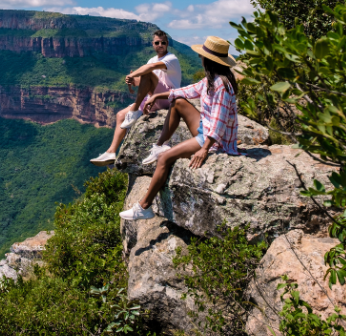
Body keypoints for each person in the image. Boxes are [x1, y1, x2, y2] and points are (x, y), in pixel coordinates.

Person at [119, 35, 240, 220]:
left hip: (215, 140)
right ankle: (160, 144)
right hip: (204, 127)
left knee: (165, 158)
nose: (200, 58)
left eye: (202, 56)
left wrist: (205, 149)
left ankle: (144, 207)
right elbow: (187, 90)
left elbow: (219, 122)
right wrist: (157, 96)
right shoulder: (211, 79)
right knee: (178, 102)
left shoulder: (221, 85)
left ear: (209, 60)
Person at [90, 29, 181, 166]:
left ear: (167, 43)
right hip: (151, 98)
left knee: (148, 71)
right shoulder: (151, 59)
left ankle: (134, 112)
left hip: (166, 98)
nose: (160, 45)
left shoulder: (171, 59)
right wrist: (133, 81)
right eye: (157, 42)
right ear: (153, 44)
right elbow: (145, 82)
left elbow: (151, 68)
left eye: (163, 42)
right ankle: (111, 152)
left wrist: (134, 75)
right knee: (120, 115)